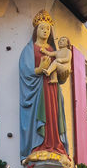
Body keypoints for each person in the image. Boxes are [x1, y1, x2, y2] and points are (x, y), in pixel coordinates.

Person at [18, 10, 69, 158]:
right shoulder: (29, 50)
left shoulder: (53, 50)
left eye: (48, 29)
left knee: (53, 115)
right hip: (38, 89)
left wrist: (63, 75)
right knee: (42, 115)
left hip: (52, 88)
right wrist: (39, 69)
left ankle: (54, 144)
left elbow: (59, 72)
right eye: (42, 28)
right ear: (36, 30)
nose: (45, 31)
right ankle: (40, 145)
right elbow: (25, 71)